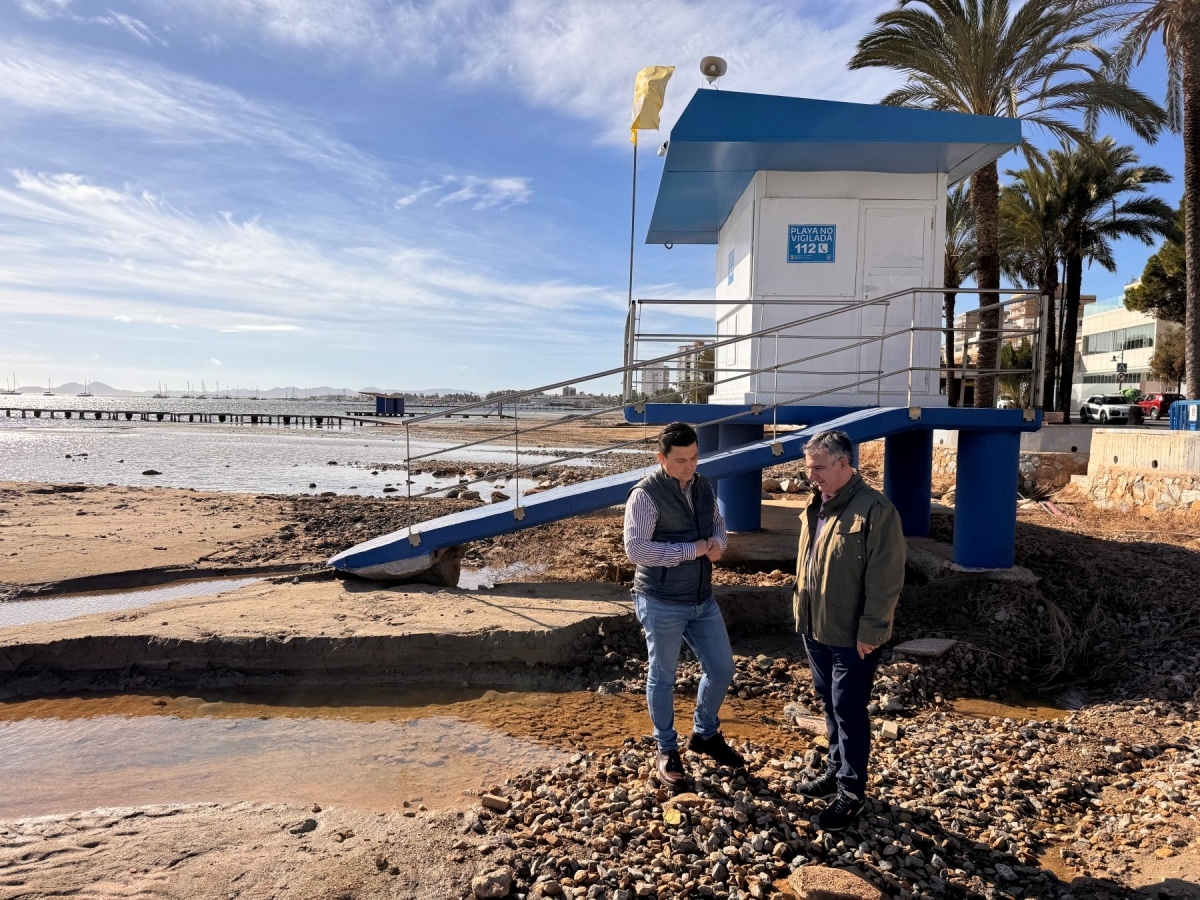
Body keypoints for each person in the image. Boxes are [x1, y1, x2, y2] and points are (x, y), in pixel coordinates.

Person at [792, 429, 905, 831]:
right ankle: (836, 771)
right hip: (816, 627)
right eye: (809, 468)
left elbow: (886, 579)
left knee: (849, 710)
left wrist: (872, 631)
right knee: (828, 703)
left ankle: (852, 794)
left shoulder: (875, 510)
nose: (812, 476)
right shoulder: (815, 506)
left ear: (844, 464)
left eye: (819, 468)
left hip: (852, 636)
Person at [624, 421, 744, 789]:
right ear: (662, 458)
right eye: (680, 460)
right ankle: (666, 748)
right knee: (663, 676)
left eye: (694, 457)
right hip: (660, 600)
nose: (690, 466)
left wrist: (719, 545)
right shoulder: (644, 495)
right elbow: (635, 549)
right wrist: (691, 550)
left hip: (701, 599)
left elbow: (718, 525)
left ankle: (705, 734)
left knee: (723, 668)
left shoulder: (704, 485)